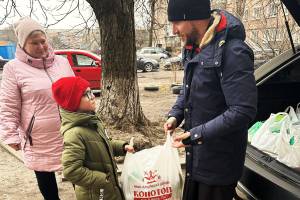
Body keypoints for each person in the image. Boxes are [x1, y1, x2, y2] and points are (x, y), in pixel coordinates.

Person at [164, 0, 258, 200]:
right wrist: (175, 114)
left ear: (191, 17)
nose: (173, 30)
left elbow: (242, 111)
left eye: (176, 23)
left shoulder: (233, 51)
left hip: (219, 164)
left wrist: (195, 135)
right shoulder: (194, 48)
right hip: (197, 158)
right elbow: (188, 89)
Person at [0, 17, 75, 200]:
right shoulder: (13, 68)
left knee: (76, 169)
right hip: (38, 136)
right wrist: (10, 134)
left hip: (71, 129)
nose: (41, 47)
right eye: (35, 43)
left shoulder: (62, 62)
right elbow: (8, 104)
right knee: (45, 175)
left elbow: (77, 91)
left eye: (43, 41)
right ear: (23, 44)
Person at [52, 76, 134, 200]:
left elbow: (102, 144)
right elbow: (71, 171)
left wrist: (122, 147)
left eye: (91, 92)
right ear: (72, 102)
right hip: (97, 194)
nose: (92, 97)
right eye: (86, 94)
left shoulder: (92, 121)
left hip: (108, 190)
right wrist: (103, 180)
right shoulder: (74, 133)